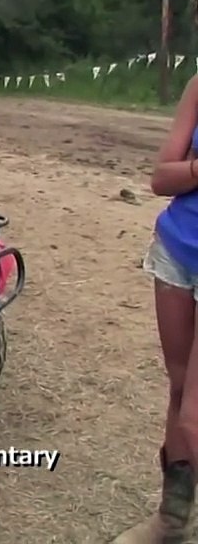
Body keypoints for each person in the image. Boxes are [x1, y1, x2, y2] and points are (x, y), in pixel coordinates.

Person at [134, 73, 198, 544]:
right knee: (179, 389)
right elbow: (161, 178)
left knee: (196, 413)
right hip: (177, 249)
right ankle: (173, 518)